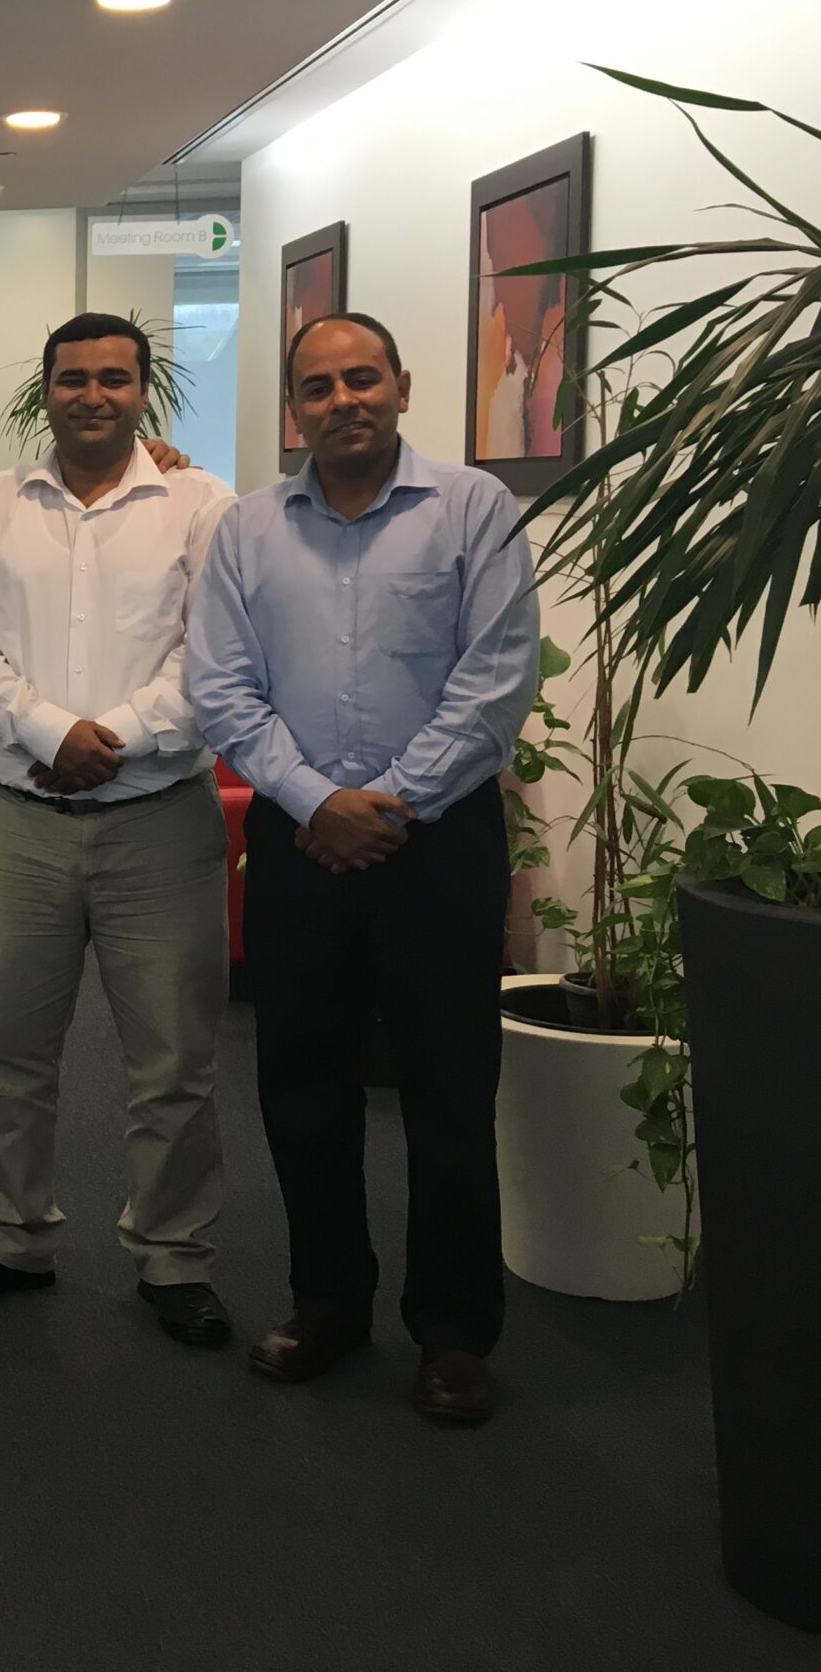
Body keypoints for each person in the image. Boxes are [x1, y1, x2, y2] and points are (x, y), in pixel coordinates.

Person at [186, 311, 540, 1425]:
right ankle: (329, 1302)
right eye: (318, 386)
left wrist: (386, 804)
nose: (342, 400)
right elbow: (219, 686)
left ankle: (454, 1330)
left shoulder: (474, 508)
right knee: (302, 1086)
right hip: (300, 845)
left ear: (401, 386)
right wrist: (314, 801)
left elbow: (496, 680)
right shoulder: (247, 531)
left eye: (362, 378)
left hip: (438, 846)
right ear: (293, 407)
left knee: (448, 1089)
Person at [0, 313, 236, 1346]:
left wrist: (118, 739)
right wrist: (51, 733)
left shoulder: (202, 503)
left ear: (143, 390)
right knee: (5, 1047)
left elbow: (215, 653)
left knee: (174, 1062)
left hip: (161, 824)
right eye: (72, 378)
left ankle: (173, 1256)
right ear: (44, 389)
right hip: (18, 824)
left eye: (113, 377)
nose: (92, 395)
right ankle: (8, 1236)